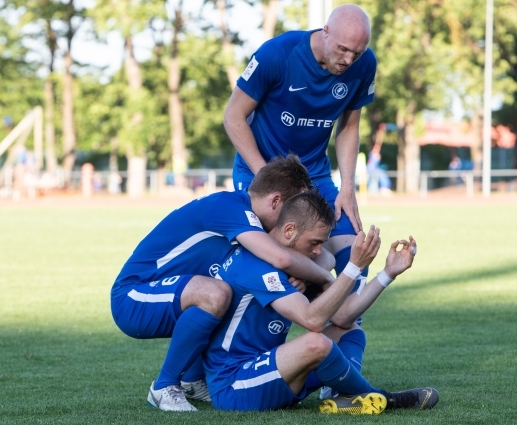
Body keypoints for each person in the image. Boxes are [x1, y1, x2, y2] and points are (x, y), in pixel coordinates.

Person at [110, 155, 335, 412]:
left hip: (176, 292)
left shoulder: (252, 220)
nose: (299, 214)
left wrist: (307, 272)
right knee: (215, 293)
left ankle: (192, 381)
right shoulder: (230, 207)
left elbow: (323, 256)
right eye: (295, 205)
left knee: (226, 295)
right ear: (275, 201)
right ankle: (164, 387)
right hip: (133, 296)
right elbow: (283, 258)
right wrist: (324, 278)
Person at [203, 190, 438, 413]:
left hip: (269, 367)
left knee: (349, 332)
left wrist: (387, 273)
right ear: (289, 230)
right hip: (234, 385)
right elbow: (313, 320)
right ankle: (384, 398)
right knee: (317, 343)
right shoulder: (256, 266)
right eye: (314, 242)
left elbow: (343, 316)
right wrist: (353, 267)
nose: (318, 251)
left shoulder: (289, 261)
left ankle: (342, 396)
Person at [224, 4, 377, 294]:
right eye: (343, 49)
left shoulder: (365, 64)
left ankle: (338, 333)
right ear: (326, 31)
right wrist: (266, 177)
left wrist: (347, 187)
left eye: (356, 53)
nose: (348, 60)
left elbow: (349, 127)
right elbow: (233, 116)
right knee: (276, 263)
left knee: (354, 257)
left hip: (314, 177)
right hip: (259, 172)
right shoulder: (277, 54)